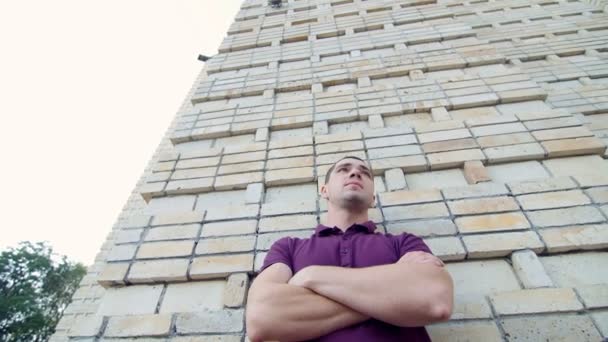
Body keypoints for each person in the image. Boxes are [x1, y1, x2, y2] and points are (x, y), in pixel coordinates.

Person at [246, 156, 453, 341]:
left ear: (373, 198)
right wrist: (392, 297)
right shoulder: (288, 247)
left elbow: (435, 299)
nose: (355, 173)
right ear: (324, 190)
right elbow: (262, 317)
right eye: (344, 169)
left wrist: (311, 276)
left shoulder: (403, 242)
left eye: (365, 173)